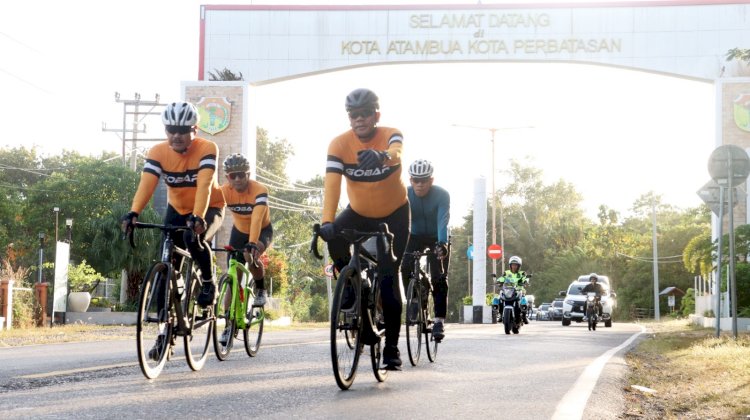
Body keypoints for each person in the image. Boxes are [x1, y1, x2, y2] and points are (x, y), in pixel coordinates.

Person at [318, 88, 410, 370]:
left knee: (388, 277)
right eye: (353, 115)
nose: (359, 119)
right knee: (332, 238)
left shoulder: (391, 133)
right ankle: (353, 284)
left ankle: (392, 349)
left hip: (394, 214)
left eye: (365, 114)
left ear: (376, 115)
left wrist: (382, 157)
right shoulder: (339, 144)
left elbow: (397, 151)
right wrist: (326, 221)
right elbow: (332, 185)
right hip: (358, 212)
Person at [121, 101, 225, 314]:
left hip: (209, 207)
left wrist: (198, 216)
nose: (176, 135)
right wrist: (134, 212)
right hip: (177, 209)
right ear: (165, 130)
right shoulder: (158, 152)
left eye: (183, 130)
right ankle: (163, 330)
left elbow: (204, 185)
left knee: (192, 239)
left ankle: (208, 282)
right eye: (171, 130)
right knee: (166, 265)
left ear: (194, 130)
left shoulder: (207, 148)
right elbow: (147, 184)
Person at [400, 159, 450, 342]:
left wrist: (442, 243)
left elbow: (442, 220)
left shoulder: (442, 195)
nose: (419, 184)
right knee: (404, 266)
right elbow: (399, 219)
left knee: (439, 276)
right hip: (414, 235)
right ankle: (414, 299)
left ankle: (438, 321)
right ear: (411, 180)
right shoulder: (404, 193)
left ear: (431, 180)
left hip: (437, 236)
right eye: (415, 180)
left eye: (424, 180)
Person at [220, 153, 273, 307]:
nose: (237, 179)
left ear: (248, 175)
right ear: (227, 177)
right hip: (239, 232)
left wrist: (252, 243)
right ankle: (229, 323)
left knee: (250, 257)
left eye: (241, 175)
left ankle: (261, 289)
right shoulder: (223, 191)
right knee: (233, 275)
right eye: (233, 175)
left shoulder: (260, 189)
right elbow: (212, 209)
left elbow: (256, 219)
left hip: (262, 230)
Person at [499, 255, 530, 324]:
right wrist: (498, 281)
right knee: (500, 298)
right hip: (508, 290)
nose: (514, 266)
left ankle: (524, 316)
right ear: (510, 265)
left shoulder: (522, 273)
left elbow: (526, 278)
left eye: (516, 265)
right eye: (513, 265)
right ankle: (501, 315)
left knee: (524, 300)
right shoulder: (506, 272)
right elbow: (502, 278)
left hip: (519, 290)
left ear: (519, 266)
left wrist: (525, 281)